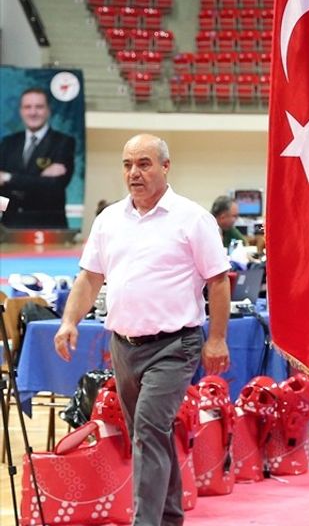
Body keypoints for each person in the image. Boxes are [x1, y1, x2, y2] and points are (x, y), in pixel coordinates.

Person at [53, 134, 231, 526]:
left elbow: (219, 281)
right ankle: (169, 517)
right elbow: (89, 278)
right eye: (128, 164)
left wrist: (216, 338)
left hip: (175, 345)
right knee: (153, 434)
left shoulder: (192, 218)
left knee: (149, 430)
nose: (135, 172)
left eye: (144, 163)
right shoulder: (109, 219)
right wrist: (69, 320)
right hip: (124, 347)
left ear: (165, 167)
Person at [0, 87, 76, 229]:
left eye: (39, 107)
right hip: (9, 227)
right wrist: (9, 207)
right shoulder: (8, 143)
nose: (33, 112)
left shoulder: (63, 142)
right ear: (21, 111)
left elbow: (55, 187)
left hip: (49, 228)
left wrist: (8, 179)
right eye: (27, 107)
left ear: (48, 110)